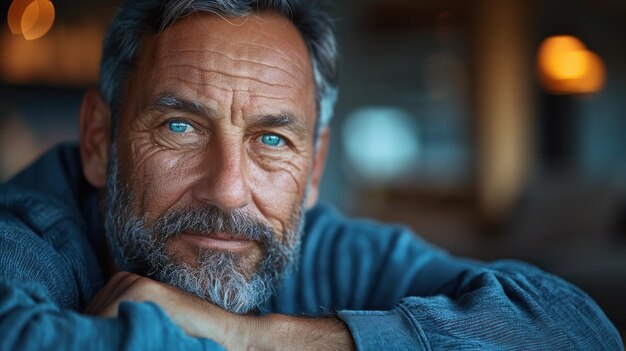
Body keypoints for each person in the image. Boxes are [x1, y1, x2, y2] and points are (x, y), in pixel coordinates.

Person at [0, 0, 622, 350]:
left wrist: (248, 338)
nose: (228, 190)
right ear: (98, 141)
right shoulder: (26, 235)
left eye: (271, 139)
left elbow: (577, 329)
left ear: (315, 167)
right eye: (180, 127)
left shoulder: (316, 245)